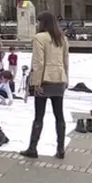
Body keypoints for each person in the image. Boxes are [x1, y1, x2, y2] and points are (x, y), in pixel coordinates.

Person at [20, 11, 69, 159]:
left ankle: (32, 148)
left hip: (44, 80)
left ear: (43, 23)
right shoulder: (62, 38)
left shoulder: (39, 38)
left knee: (39, 116)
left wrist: (36, 83)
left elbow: (38, 62)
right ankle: (60, 149)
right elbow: (66, 61)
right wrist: (66, 79)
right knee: (59, 115)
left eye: (38, 22)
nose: (36, 24)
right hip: (59, 79)